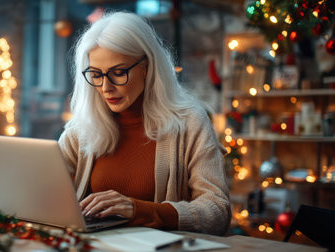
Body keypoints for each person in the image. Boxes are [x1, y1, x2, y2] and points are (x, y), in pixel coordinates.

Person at [58, 11, 231, 235]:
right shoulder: (82, 128)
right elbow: (43, 188)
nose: (105, 87)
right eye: (96, 74)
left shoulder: (190, 122)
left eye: (118, 73)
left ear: (146, 67)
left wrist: (141, 210)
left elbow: (217, 211)